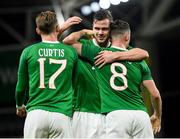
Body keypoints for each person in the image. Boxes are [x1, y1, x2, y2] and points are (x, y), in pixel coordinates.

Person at [66, 19, 162, 138]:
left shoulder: (99, 54)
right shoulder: (139, 60)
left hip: (116, 115)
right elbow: (155, 94)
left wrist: (84, 32)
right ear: (127, 37)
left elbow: (68, 42)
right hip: (141, 115)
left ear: (110, 38)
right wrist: (157, 115)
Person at [15, 11, 81, 138]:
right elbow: (76, 84)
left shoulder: (28, 52)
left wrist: (19, 105)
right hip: (61, 115)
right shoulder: (71, 52)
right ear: (57, 28)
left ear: (37, 30)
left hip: (36, 114)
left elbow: (20, 88)